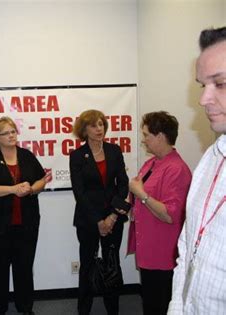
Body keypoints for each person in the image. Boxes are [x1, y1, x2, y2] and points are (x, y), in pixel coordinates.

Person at [168, 26, 226, 314]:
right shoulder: (210, 160)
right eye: (203, 85)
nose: (203, 99)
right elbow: (188, 249)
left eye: (221, 83)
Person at [0, 116, 47, 315]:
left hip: (26, 222)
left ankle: (25, 307)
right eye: (5, 133)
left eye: (13, 131)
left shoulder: (27, 156)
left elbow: (41, 181)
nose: (11, 135)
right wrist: (13, 189)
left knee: (24, 267)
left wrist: (31, 189)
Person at [127, 112, 192, 315]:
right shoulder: (152, 163)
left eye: (147, 135)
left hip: (162, 255)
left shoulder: (177, 169)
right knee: (150, 303)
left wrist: (142, 195)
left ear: (161, 137)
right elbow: (138, 193)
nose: (144, 140)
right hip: (148, 250)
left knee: (160, 305)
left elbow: (170, 215)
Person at [69, 109, 129, 315]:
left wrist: (112, 216)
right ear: (84, 130)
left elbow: (123, 184)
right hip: (88, 220)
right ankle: (83, 309)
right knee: (87, 264)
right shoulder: (77, 155)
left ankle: (113, 309)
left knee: (112, 264)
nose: (99, 129)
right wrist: (98, 221)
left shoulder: (114, 150)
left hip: (114, 217)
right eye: (93, 125)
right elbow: (80, 192)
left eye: (101, 124)